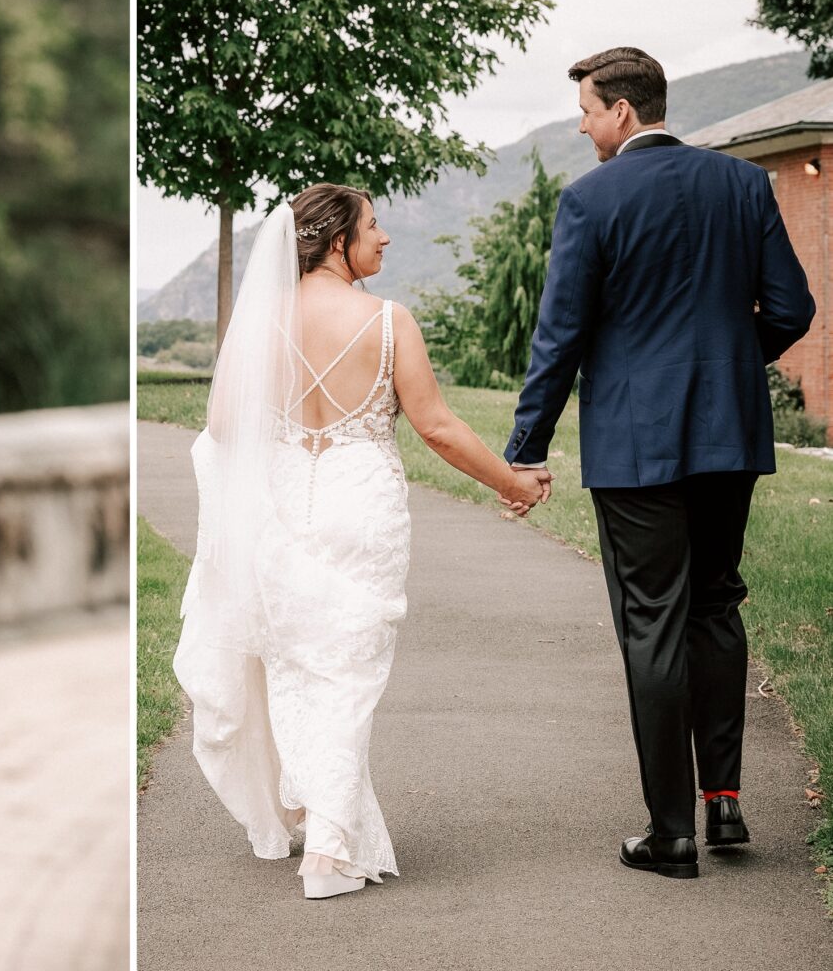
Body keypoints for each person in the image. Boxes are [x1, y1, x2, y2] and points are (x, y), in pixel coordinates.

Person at [174, 184, 550, 901]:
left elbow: (222, 427)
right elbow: (437, 427)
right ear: (336, 240)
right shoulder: (387, 322)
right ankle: (329, 848)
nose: (384, 238)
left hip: (282, 506)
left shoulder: (263, 321)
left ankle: (319, 816)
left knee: (296, 664)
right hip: (362, 504)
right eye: (374, 227)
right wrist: (512, 482)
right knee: (345, 672)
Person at [505, 47, 816, 881]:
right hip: (728, 437)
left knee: (654, 620)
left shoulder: (591, 199)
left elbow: (560, 336)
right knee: (716, 604)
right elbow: (793, 308)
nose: (580, 125)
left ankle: (669, 831)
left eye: (586, 110)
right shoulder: (745, 185)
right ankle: (726, 804)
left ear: (624, 113)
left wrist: (526, 447)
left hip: (635, 446)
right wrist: (722, 367)